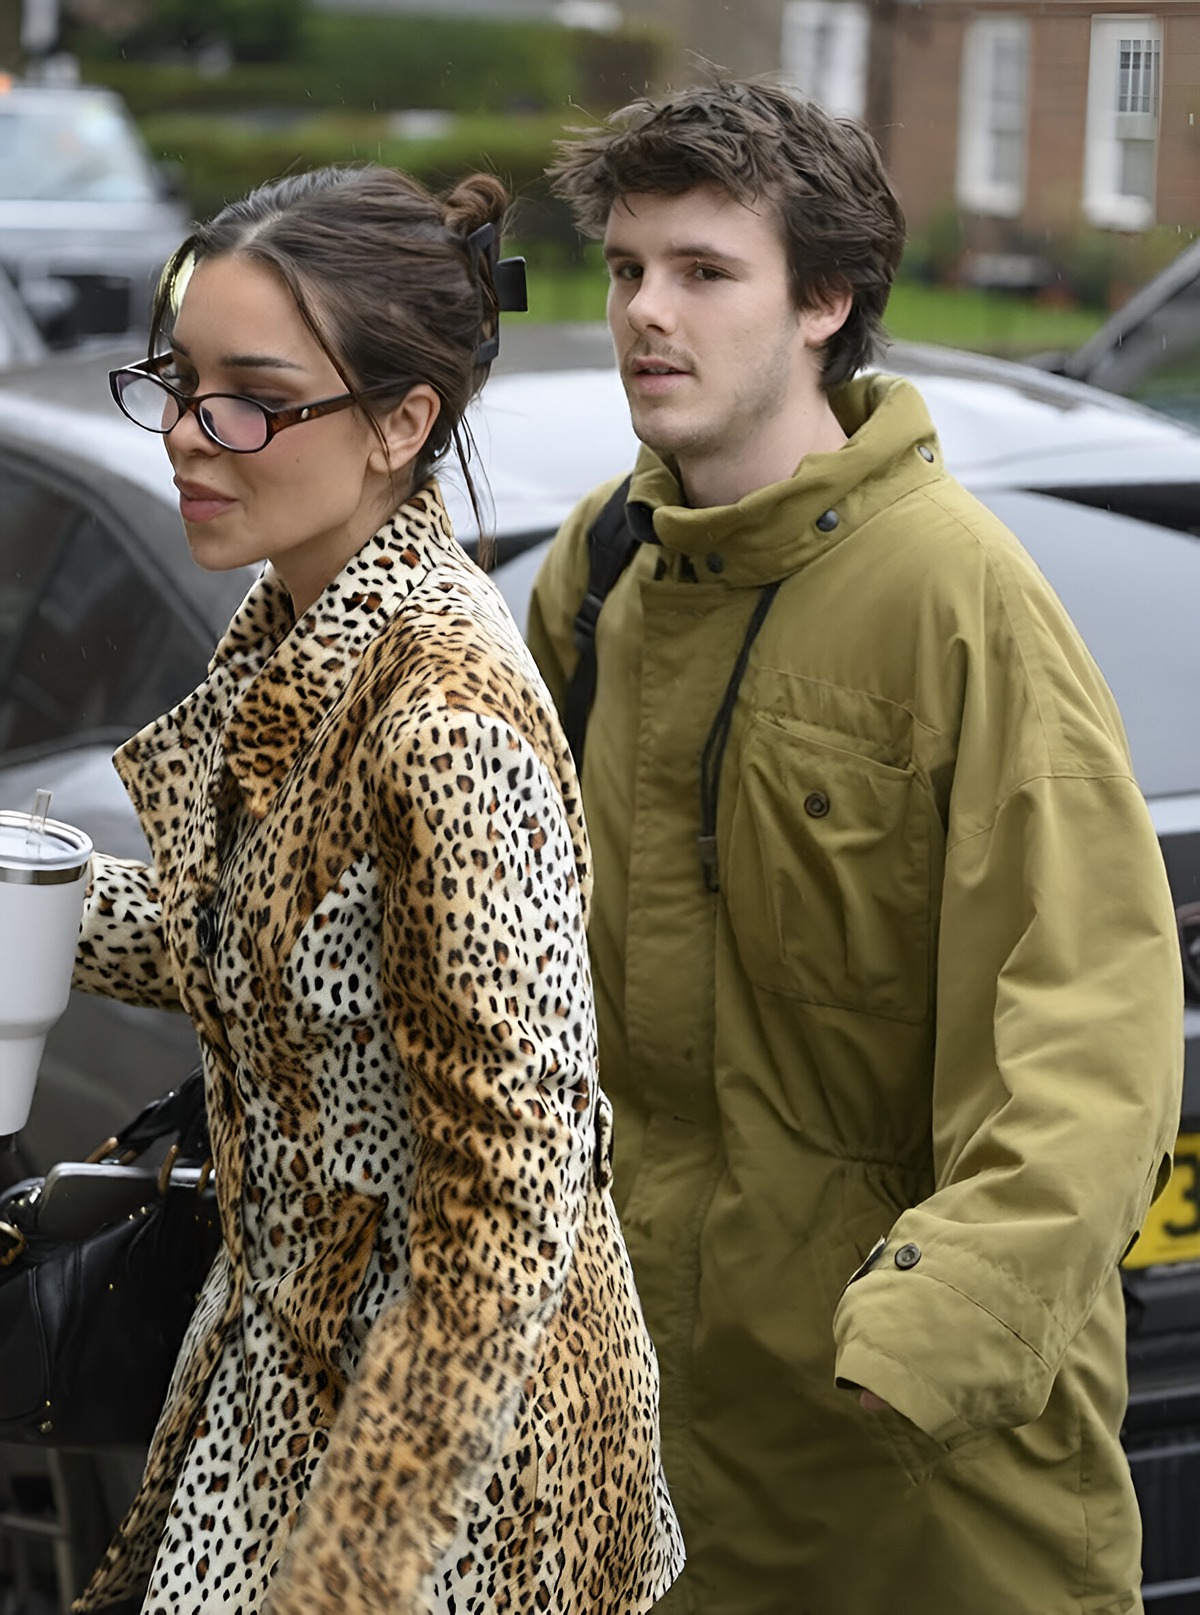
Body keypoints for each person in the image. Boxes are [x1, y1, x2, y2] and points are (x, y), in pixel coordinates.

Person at [526, 77, 1184, 1615]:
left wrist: (929, 1342)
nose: (646, 312)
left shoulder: (961, 598)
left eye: (705, 271)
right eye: (627, 268)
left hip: (908, 1484)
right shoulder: (605, 568)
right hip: (639, 1443)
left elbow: (1095, 1025)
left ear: (825, 301)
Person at [68, 163, 684, 1615]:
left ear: (403, 425)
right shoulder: (297, 624)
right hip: (280, 1389)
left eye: (253, 399)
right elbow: (268, 950)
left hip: (449, 1505)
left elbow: (509, 1204)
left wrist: (355, 1565)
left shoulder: (443, 719)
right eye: (181, 381)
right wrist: (44, 895)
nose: (189, 432)